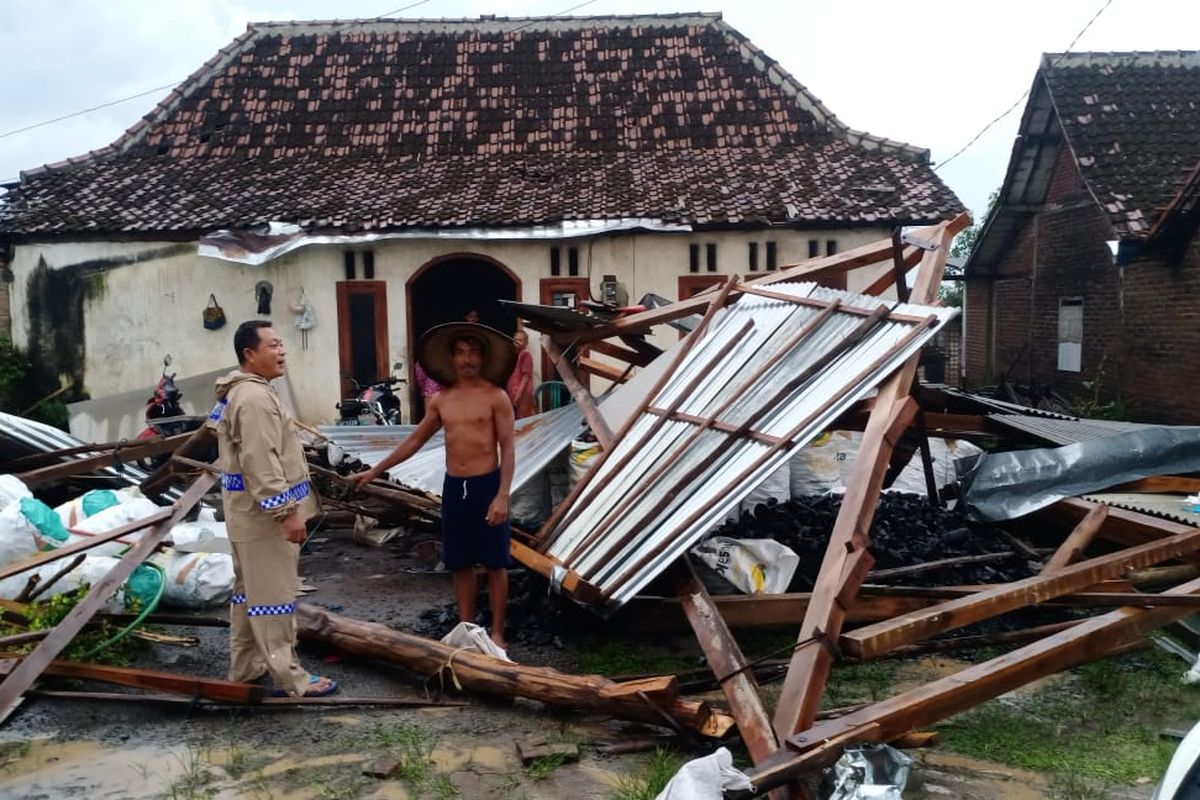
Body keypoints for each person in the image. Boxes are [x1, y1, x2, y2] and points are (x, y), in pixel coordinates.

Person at [355, 323, 516, 650]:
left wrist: (502, 496)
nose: (467, 359)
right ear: (451, 358)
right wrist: (374, 471)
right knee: (460, 562)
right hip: (455, 487)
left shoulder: (496, 397)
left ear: (482, 358)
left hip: (487, 485)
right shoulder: (442, 401)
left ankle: (498, 631)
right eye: (460, 353)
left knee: (495, 561)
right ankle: (466, 629)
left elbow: (509, 448)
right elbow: (414, 440)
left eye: (473, 352)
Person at [212, 320, 338, 697]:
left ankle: (247, 668)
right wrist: (286, 512)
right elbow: (260, 463)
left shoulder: (243, 393)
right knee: (273, 597)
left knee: (249, 594)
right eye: (273, 345)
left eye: (282, 345)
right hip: (262, 519)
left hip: (245, 514)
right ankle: (291, 677)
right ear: (250, 355)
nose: (281, 352)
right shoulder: (253, 399)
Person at [506, 330, 536, 419]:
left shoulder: (526, 355)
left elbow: (526, 376)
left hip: (523, 392)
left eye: (520, 340)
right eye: (515, 340)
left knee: (525, 418)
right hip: (514, 392)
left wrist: (519, 394)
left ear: (526, 342)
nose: (517, 342)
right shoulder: (514, 355)